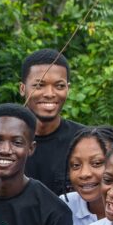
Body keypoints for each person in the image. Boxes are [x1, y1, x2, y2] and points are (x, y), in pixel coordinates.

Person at [19, 49, 86, 195]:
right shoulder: (4, 140)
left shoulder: (84, 140)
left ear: (68, 89)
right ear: (23, 88)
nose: (50, 94)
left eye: (59, 86)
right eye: (39, 85)